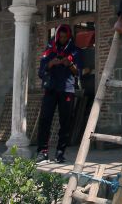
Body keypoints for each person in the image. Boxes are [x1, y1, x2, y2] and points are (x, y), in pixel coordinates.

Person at [36, 24, 81, 163]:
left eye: (65, 37)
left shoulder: (75, 51)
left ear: (69, 37)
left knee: (65, 123)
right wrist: (51, 64)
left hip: (67, 90)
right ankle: (42, 152)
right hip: (50, 89)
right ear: (56, 37)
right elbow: (41, 73)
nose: (62, 39)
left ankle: (60, 153)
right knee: (45, 120)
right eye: (60, 37)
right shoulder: (49, 51)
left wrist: (70, 64)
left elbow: (79, 72)